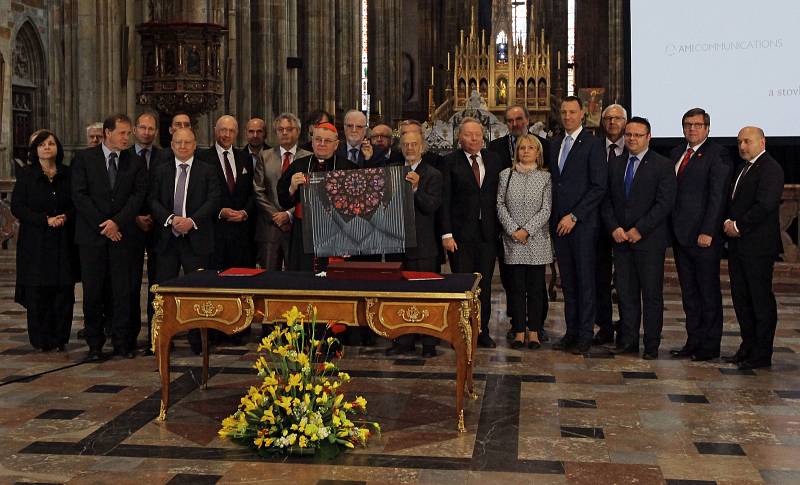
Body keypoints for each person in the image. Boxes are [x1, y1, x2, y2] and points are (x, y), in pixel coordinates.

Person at [71, 114, 146, 361]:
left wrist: (117, 222)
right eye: (122, 133)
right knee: (93, 292)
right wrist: (104, 225)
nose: (127, 138)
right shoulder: (84, 159)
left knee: (122, 292)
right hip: (93, 237)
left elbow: (137, 197)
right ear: (107, 133)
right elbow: (80, 195)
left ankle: (123, 342)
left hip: (123, 236)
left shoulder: (134, 161)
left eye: (128, 133)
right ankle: (94, 344)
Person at [602, 117, 676, 360]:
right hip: (621, 240)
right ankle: (628, 341)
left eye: (638, 135)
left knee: (651, 295)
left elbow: (664, 203)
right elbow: (607, 201)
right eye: (629, 134)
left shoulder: (662, 165)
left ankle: (651, 345)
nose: (632, 139)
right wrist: (614, 228)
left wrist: (639, 229)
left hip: (649, 241)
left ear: (649, 137)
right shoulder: (615, 163)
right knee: (625, 293)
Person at [149, 128, 221, 355]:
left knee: (198, 292)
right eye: (178, 142)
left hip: (196, 238)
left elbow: (214, 199)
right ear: (171, 145)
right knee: (165, 292)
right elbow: (152, 199)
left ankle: (198, 340)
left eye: (187, 142)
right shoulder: (160, 170)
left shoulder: (207, 170)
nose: (182, 146)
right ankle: (163, 339)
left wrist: (192, 221)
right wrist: (171, 219)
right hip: (168, 239)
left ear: (194, 145)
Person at [668, 108, 731, 361]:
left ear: (707, 128)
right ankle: (692, 341)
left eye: (697, 124)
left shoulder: (717, 154)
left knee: (707, 292)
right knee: (689, 293)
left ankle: (709, 345)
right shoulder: (675, 153)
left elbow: (717, 197)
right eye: (687, 124)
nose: (692, 129)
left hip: (704, 237)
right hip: (681, 236)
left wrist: (708, 230)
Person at [488, 104, 551, 343]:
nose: (525, 151)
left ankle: (536, 328)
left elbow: (547, 208)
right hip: (511, 239)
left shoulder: (546, 176)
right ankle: (518, 327)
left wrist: (528, 230)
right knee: (513, 286)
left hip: (536, 240)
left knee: (536, 287)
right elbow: (499, 203)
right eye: (510, 120)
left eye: (530, 148)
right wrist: (514, 230)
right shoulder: (503, 167)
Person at [723, 126, 784, 370]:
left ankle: (761, 353)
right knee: (741, 299)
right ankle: (747, 347)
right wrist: (728, 222)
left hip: (758, 247)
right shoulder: (743, 168)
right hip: (739, 247)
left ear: (762, 142)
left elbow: (765, 205)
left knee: (759, 300)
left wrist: (738, 225)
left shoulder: (770, 168)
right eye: (739, 142)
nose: (742, 146)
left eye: (747, 141)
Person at [549, 96, 607, 354]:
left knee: (585, 281)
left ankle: (585, 333)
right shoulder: (554, 143)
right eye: (563, 112)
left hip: (581, 225)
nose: (567, 116)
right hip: (559, 225)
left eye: (572, 112)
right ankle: (571, 331)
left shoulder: (593, 144)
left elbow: (598, 187)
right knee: (568, 281)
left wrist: (574, 216)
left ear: (582, 113)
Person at [440, 117, 502, 348]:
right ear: (459, 137)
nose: (474, 138)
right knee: (463, 286)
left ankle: (481, 330)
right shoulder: (449, 162)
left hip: (487, 234)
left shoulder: (494, 160)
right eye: (468, 134)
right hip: (460, 236)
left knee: (483, 287)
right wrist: (446, 234)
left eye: (477, 134)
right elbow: (445, 200)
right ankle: (461, 331)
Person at [11, 131, 76, 352]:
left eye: (51, 143)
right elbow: (17, 207)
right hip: (36, 241)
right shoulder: (27, 175)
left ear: (57, 148)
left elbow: (77, 201)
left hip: (63, 239)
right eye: (42, 144)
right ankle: (41, 339)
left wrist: (65, 216)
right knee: (39, 291)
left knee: (63, 290)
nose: (47, 147)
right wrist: (44, 220)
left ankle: (60, 338)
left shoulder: (68, 174)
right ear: (35, 150)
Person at [384, 129, 443, 357]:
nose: (410, 148)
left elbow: (431, 207)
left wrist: (417, 188)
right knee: (399, 295)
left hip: (423, 246)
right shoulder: (392, 171)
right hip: (396, 243)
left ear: (422, 147)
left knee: (425, 295)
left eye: (414, 144)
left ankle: (429, 343)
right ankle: (403, 340)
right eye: (406, 144)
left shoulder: (433, 174)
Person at [277, 122, 358, 271]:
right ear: (312, 141)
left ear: (336, 144)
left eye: (327, 141)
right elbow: (283, 200)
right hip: (303, 232)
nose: (321, 144)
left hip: (337, 232)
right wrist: (292, 188)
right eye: (317, 139)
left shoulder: (349, 168)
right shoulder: (298, 165)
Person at [195, 115, 255, 271]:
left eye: (231, 131)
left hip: (241, 234)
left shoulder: (245, 158)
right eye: (223, 130)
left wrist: (245, 212)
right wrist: (220, 212)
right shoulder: (202, 158)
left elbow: (251, 191)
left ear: (236, 133)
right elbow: (199, 194)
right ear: (215, 131)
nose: (227, 135)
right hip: (214, 232)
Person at [254, 113, 311, 271]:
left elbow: (309, 195)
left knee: (297, 275)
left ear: (298, 131)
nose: (284, 132)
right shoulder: (264, 156)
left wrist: (288, 214)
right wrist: (276, 215)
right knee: (268, 277)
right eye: (280, 129)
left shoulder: (308, 158)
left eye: (289, 129)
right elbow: (258, 190)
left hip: (297, 226)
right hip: (269, 226)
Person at [126, 111, 162, 356]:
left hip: (160, 227)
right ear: (134, 130)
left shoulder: (165, 156)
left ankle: (155, 336)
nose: (147, 132)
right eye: (143, 127)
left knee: (157, 286)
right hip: (131, 226)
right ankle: (127, 337)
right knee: (128, 283)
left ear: (156, 131)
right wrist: (134, 216)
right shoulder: (124, 156)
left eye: (151, 128)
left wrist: (156, 215)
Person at [594, 104, 627, 345]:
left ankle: (627, 327)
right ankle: (604, 326)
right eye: (608, 118)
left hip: (627, 228)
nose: (613, 122)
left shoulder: (636, 147)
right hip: (598, 225)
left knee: (626, 281)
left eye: (617, 118)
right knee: (600, 279)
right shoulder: (594, 147)